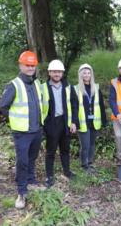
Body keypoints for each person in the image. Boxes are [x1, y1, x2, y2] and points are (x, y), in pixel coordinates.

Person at [0, 50, 48, 209]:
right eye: (27, 65)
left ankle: (31, 181)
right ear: (21, 65)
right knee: (23, 161)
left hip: (37, 130)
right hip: (22, 133)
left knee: (32, 157)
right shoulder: (13, 85)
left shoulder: (36, 83)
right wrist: (15, 122)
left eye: (33, 65)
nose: (31, 68)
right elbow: (3, 106)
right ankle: (21, 192)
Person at [43, 59, 78, 187]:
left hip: (65, 122)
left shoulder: (68, 87)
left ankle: (67, 172)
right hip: (51, 123)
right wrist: (43, 126)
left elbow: (75, 105)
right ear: (49, 72)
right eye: (54, 71)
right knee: (50, 151)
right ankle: (49, 176)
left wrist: (74, 122)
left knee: (65, 149)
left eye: (59, 71)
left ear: (62, 73)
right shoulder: (43, 88)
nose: (56, 74)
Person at [74, 63, 107, 174]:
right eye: (84, 73)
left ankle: (90, 162)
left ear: (91, 75)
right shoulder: (76, 89)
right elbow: (73, 107)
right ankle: (84, 165)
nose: (87, 75)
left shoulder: (96, 88)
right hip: (82, 122)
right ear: (81, 75)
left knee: (92, 144)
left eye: (89, 73)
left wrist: (104, 120)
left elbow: (101, 105)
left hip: (94, 121)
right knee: (85, 145)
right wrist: (74, 122)